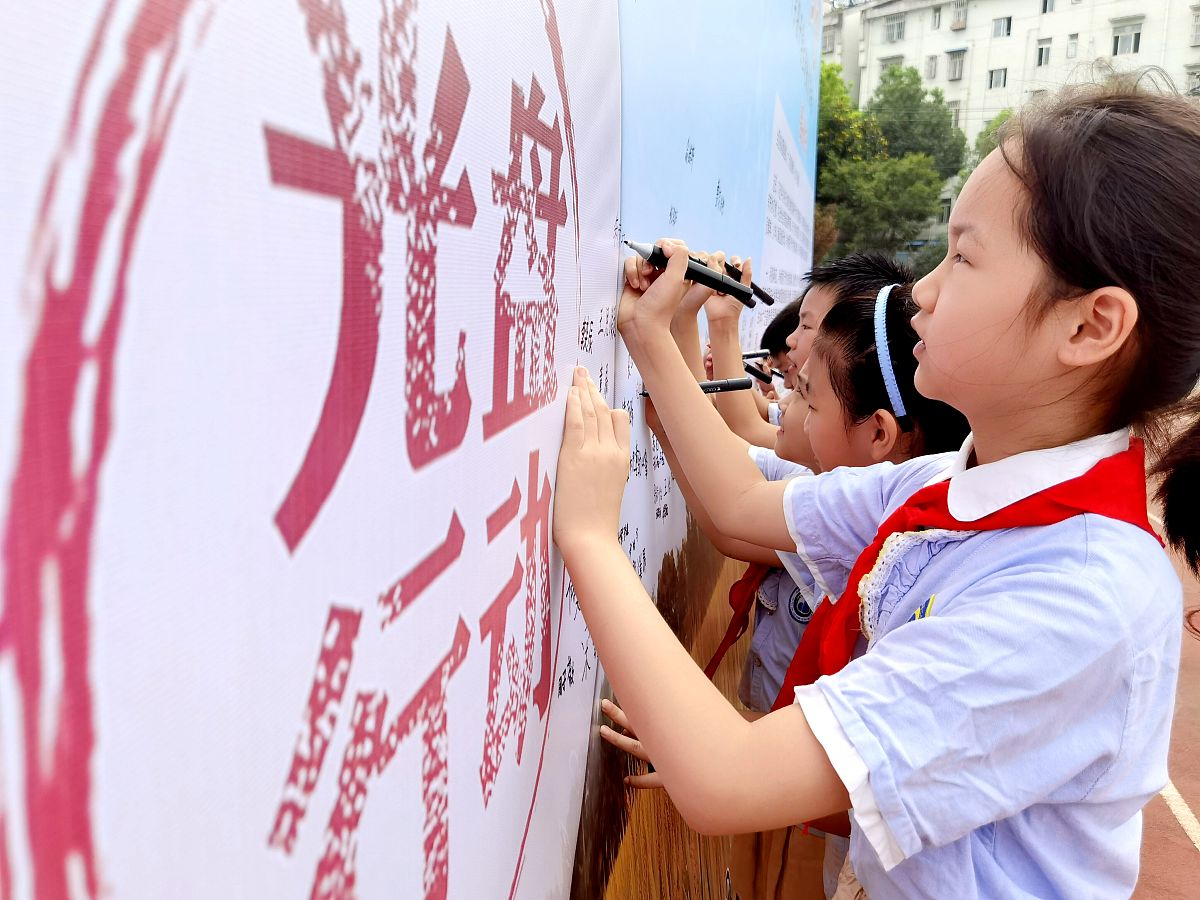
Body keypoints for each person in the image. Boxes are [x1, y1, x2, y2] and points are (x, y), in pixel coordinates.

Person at [553, 80, 1200, 897]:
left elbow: (725, 778)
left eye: (963, 257)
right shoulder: (954, 485)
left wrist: (587, 537)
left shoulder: (1078, 597)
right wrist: (651, 335)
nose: (922, 291)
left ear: (1089, 326)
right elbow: (740, 503)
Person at [614, 280, 970, 898]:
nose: (785, 405)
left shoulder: (939, 519)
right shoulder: (922, 486)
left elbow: (734, 502)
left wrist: (589, 538)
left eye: (806, 395)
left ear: (879, 434)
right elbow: (736, 498)